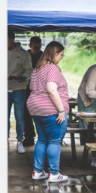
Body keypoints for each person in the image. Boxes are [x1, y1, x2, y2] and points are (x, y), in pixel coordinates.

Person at [27, 41, 69, 183]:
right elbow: (51, 89)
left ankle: (37, 172)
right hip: (50, 110)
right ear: (55, 53)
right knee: (55, 141)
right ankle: (54, 174)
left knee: (42, 139)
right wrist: (61, 110)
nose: (61, 58)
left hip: (36, 108)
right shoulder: (52, 68)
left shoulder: (38, 68)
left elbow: (33, 87)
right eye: (61, 55)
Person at [7, 30, 33, 153]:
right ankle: (4, 141)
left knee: (19, 117)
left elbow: (29, 71)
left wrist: (22, 77)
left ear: (11, 40)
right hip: (4, 90)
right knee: (3, 117)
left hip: (19, 89)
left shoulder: (24, 54)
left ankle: (19, 142)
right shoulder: (0, 51)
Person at [23, 36, 43, 146]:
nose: (37, 49)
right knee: (26, 113)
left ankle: (42, 137)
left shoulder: (44, 56)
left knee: (39, 113)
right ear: (30, 45)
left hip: (40, 89)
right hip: (26, 87)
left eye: (39, 47)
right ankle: (29, 137)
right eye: (35, 47)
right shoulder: (25, 55)